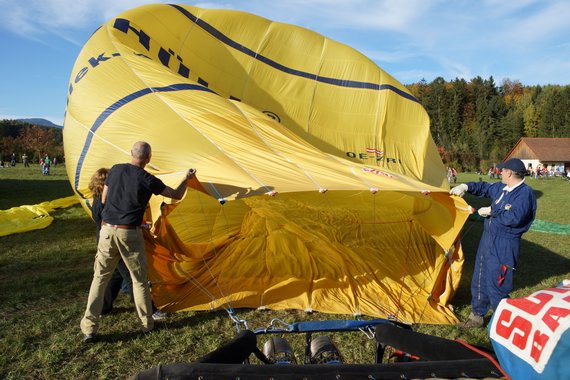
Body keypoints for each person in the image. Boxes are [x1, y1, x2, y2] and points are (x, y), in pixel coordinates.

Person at [80, 141, 196, 343]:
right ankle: (146, 324)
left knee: (99, 279)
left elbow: (105, 199)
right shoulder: (148, 179)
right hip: (129, 233)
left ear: (130, 153)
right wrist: (186, 178)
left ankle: (89, 328)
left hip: (106, 231)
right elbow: (176, 195)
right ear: (148, 158)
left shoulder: (115, 170)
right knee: (138, 280)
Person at [449, 158, 536, 329]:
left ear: (509, 173)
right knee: (480, 277)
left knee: (498, 283)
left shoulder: (525, 194)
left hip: (505, 245)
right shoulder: (502, 188)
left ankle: (505, 324)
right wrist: (465, 187)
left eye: (502, 171)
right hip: (487, 240)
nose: (500, 173)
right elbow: (484, 188)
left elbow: (514, 218)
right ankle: (476, 316)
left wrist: (492, 211)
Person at [88, 168, 134, 315]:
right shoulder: (105, 201)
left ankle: (104, 306)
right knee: (130, 273)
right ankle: (148, 310)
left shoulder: (98, 199)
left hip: (104, 241)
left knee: (116, 274)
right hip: (111, 241)